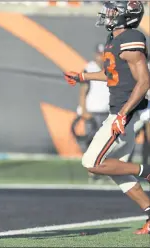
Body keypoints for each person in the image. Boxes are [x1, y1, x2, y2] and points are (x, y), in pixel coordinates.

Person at [64, 1, 150, 234]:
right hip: (121, 110)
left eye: (113, 12)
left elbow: (143, 81)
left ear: (126, 16)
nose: (107, 15)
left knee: (92, 163)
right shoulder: (116, 39)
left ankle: (147, 171)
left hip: (126, 111)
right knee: (116, 170)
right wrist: (83, 75)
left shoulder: (132, 37)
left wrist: (122, 115)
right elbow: (112, 73)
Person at [76, 43, 110, 183]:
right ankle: (93, 173)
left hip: (108, 112)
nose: (101, 57)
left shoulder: (112, 68)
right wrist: (84, 110)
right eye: (99, 54)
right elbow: (83, 91)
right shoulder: (89, 68)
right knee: (92, 144)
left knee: (107, 144)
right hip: (93, 112)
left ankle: (105, 171)